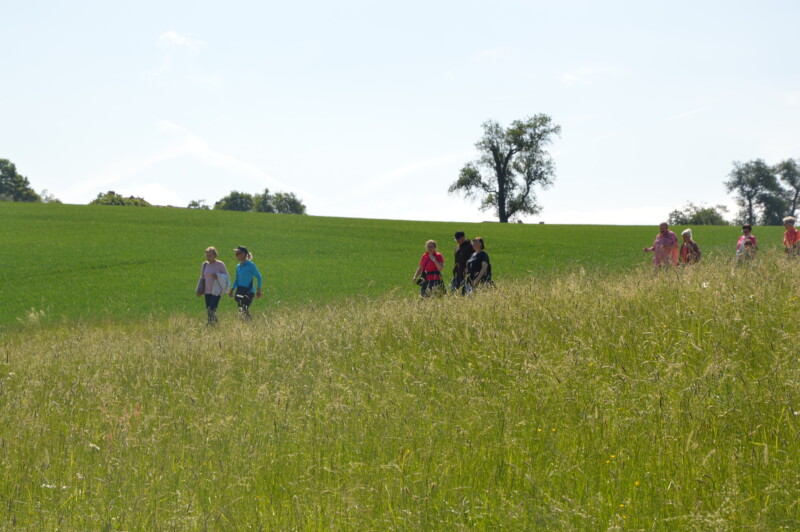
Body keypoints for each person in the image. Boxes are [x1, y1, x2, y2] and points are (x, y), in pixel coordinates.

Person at [195, 247, 229, 324]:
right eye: (207, 255)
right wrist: (198, 289)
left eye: (210, 255)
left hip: (216, 291)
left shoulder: (220, 264)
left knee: (212, 308)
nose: (208, 257)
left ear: (214, 255)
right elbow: (202, 277)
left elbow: (227, 277)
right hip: (207, 291)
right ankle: (214, 324)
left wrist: (218, 276)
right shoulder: (204, 265)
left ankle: (210, 324)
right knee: (209, 310)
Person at [228, 246, 263, 320]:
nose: (236, 255)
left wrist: (259, 289)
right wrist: (232, 290)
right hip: (240, 291)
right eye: (236, 254)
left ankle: (251, 324)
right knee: (241, 311)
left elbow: (259, 277)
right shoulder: (238, 266)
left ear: (244, 254)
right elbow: (237, 279)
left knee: (244, 309)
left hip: (249, 292)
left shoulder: (251, 265)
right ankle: (246, 326)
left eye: (238, 253)